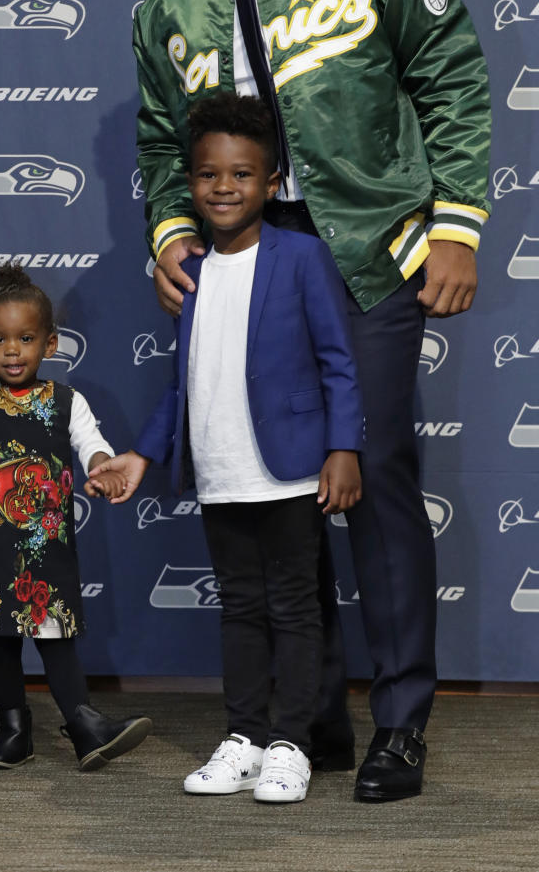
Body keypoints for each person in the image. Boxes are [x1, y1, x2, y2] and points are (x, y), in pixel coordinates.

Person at [126, 0, 491, 802]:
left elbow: (455, 79)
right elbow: (163, 145)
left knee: (366, 473)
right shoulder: (168, 5)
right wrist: (170, 234)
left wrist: (456, 225)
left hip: (368, 251)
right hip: (248, 274)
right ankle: (312, 716)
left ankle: (402, 721)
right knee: (279, 488)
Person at [95, 94, 363, 803]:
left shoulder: (302, 255)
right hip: (219, 472)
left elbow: (339, 361)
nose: (224, 186)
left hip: (291, 469)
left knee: (296, 609)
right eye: (209, 173)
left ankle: (292, 744)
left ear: (272, 183)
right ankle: (244, 736)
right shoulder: (189, 269)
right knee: (240, 607)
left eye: (242, 174)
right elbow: (181, 386)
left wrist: (343, 448)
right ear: (191, 182)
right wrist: (142, 456)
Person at [0, 261, 151, 771]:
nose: (12, 350)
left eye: (24, 338)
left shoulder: (69, 402)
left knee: (55, 638)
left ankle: (86, 725)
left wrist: (104, 470)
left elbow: (94, 448)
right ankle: (14, 731)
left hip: (41, 549)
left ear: (51, 343)